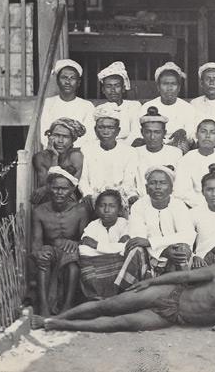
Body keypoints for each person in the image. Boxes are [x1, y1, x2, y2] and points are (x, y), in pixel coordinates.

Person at [31, 256, 215, 332]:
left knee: (121, 323)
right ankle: (56, 317)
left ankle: (59, 324)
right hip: (170, 293)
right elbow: (184, 277)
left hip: (173, 317)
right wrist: (150, 282)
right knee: (108, 305)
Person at [115, 165, 196, 290]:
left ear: (171, 188)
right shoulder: (139, 206)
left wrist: (152, 242)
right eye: (153, 183)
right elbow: (138, 237)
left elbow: (188, 235)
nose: (158, 187)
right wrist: (162, 251)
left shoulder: (179, 205)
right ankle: (127, 292)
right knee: (135, 249)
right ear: (147, 188)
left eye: (163, 183)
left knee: (182, 249)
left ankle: (179, 292)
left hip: (173, 255)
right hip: (149, 256)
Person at [31, 166, 90, 316]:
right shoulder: (39, 211)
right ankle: (43, 308)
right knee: (43, 260)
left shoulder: (80, 210)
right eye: (56, 188)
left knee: (73, 266)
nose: (59, 192)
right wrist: (39, 253)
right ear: (49, 188)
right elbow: (37, 241)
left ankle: (67, 308)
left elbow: (86, 239)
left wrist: (76, 243)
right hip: (51, 248)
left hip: (71, 251)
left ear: (71, 189)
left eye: (64, 189)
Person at [79, 103, 138, 210]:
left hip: (119, 197)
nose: (105, 131)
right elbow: (83, 179)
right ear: (95, 130)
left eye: (110, 127)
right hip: (92, 197)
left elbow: (128, 182)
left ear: (118, 130)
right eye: (101, 127)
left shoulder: (130, 152)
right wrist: (87, 194)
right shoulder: (86, 149)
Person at [78, 190, 131, 300]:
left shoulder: (125, 224)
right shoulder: (93, 225)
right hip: (98, 267)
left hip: (116, 267)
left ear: (119, 209)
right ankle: (97, 297)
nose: (107, 210)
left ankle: (118, 298)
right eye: (102, 206)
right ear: (96, 209)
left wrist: (97, 246)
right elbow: (83, 249)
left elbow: (125, 247)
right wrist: (114, 249)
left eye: (112, 206)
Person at [174, 120, 215, 208]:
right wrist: (205, 205)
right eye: (203, 132)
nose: (207, 136)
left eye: (212, 133)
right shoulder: (186, 159)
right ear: (196, 135)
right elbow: (182, 191)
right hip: (194, 205)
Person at [141, 62, 197, 154]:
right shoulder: (147, 106)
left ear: (179, 88)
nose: (169, 88)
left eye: (173, 84)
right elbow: (140, 132)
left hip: (177, 146)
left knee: (181, 144)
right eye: (165, 84)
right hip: (153, 144)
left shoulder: (188, 108)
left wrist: (183, 132)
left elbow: (191, 134)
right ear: (158, 87)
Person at [129, 107, 184, 198]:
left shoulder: (175, 153)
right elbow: (130, 182)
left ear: (164, 133)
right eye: (148, 132)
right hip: (142, 201)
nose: (152, 137)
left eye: (157, 132)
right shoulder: (134, 153)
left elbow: (179, 183)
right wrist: (133, 196)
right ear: (142, 132)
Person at [39, 59, 94, 148]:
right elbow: (44, 135)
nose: (68, 82)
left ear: (78, 82)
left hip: (78, 153)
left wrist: (68, 149)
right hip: (53, 152)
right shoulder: (48, 103)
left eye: (72, 78)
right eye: (64, 77)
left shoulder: (87, 106)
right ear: (57, 80)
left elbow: (90, 136)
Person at [31, 117, 86, 204]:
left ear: (73, 140)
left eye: (65, 137)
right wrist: (54, 158)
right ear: (49, 136)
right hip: (49, 200)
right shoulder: (40, 157)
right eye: (56, 135)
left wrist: (46, 188)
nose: (60, 141)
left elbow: (72, 186)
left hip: (70, 199)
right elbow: (44, 184)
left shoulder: (76, 156)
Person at [96, 61, 142, 146]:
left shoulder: (134, 106)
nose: (113, 90)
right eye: (109, 86)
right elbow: (96, 137)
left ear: (123, 88)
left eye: (117, 86)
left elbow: (136, 133)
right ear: (103, 90)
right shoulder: (99, 109)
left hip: (129, 148)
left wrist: (121, 149)